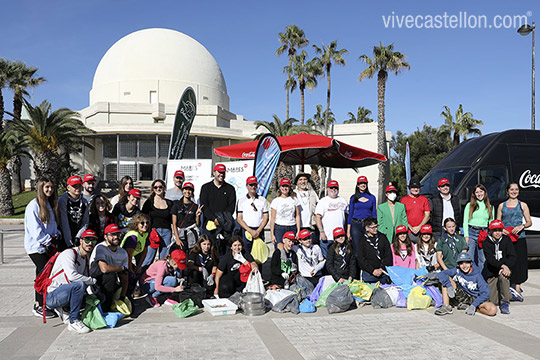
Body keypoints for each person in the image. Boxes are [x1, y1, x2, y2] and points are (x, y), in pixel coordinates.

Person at [45, 230, 98, 333]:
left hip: (67, 292)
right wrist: (92, 281)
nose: (90, 243)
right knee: (79, 285)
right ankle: (73, 321)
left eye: (93, 241)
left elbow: (86, 281)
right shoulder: (69, 253)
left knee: (97, 297)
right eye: (87, 240)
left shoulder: (85, 259)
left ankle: (64, 309)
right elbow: (72, 276)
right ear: (81, 241)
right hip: (52, 296)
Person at [24, 177, 62, 318]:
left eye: (51, 187)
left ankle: (44, 302)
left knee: (43, 274)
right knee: (43, 274)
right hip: (37, 247)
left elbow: (52, 226)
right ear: (40, 188)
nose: (50, 190)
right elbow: (35, 231)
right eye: (47, 187)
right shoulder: (33, 206)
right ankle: (38, 305)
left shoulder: (49, 205)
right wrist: (48, 241)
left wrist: (56, 235)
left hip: (48, 246)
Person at [497, 182, 532, 297]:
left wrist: (522, 226)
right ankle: (508, 286)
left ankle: (517, 288)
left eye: (516, 189)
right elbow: (497, 223)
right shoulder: (502, 206)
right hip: (506, 239)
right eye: (511, 189)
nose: (514, 191)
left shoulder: (523, 205)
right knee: (507, 261)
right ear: (507, 191)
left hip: (519, 238)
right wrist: (502, 230)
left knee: (520, 262)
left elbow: (529, 222)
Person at [435, 252, 497, 317]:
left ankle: (471, 308)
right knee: (446, 279)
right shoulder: (457, 270)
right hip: (462, 295)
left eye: (467, 262)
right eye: (461, 263)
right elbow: (442, 273)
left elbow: (485, 292)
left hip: (476, 298)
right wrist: (449, 286)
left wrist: (474, 305)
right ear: (458, 264)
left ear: (471, 263)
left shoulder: (477, 275)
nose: (464, 266)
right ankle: (446, 306)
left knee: (492, 310)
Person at [89, 224, 129, 312]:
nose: (116, 237)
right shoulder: (100, 247)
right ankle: (105, 307)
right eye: (112, 235)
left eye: (118, 234)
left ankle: (116, 300)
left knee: (130, 278)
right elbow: (104, 269)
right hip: (95, 282)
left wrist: (122, 298)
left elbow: (125, 276)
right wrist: (121, 268)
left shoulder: (123, 252)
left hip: (112, 282)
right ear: (105, 237)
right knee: (110, 276)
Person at [200, 164, 236, 254]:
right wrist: (214, 219)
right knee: (209, 251)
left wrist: (221, 220)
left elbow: (231, 208)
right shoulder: (206, 188)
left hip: (225, 227)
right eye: (219, 172)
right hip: (209, 226)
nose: (221, 174)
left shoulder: (230, 189)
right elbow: (204, 206)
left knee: (224, 252)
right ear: (214, 173)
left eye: (223, 172)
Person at [482, 220, 517, 314]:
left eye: (500, 230)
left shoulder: (507, 240)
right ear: (490, 231)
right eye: (495, 230)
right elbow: (490, 260)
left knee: (504, 276)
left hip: (504, 270)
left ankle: (505, 301)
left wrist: (506, 267)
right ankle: (510, 294)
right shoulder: (486, 242)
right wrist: (502, 266)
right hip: (492, 271)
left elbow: (512, 256)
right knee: (493, 301)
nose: (498, 233)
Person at [142, 179, 174, 265]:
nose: (158, 189)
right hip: (153, 231)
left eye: (160, 187)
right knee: (149, 257)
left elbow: (172, 220)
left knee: (164, 258)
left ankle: (161, 276)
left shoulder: (169, 203)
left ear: (164, 188)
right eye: (155, 187)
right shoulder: (149, 203)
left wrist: (173, 233)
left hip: (166, 232)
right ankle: (142, 276)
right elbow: (143, 217)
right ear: (153, 189)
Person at [315, 180, 348, 257]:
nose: (333, 189)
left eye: (335, 187)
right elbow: (317, 217)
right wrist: (321, 232)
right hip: (327, 236)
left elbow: (346, 216)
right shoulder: (322, 201)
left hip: (340, 237)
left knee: (339, 259)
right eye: (331, 187)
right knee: (327, 260)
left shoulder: (343, 201)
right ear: (327, 189)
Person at [237, 176, 269, 254]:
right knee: (246, 254)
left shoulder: (263, 200)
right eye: (251, 185)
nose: (253, 187)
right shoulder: (241, 200)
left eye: (255, 185)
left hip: (259, 230)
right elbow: (239, 218)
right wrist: (250, 231)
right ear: (247, 186)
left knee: (259, 255)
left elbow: (266, 217)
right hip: (247, 230)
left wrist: (258, 231)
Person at [464, 184, 493, 270]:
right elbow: (465, 221)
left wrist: (490, 236)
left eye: (481, 191)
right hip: (471, 232)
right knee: (470, 257)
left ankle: (481, 279)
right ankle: (470, 278)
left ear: (485, 192)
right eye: (477, 192)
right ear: (474, 194)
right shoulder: (469, 205)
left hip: (483, 234)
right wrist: (466, 236)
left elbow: (491, 223)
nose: (479, 194)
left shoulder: (490, 207)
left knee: (482, 259)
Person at [120, 212, 150, 296]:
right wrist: (131, 269)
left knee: (137, 274)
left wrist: (139, 266)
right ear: (136, 224)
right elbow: (128, 255)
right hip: (121, 259)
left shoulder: (144, 235)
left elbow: (145, 251)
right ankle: (125, 296)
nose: (145, 225)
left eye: (147, 222)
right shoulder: (133, 236)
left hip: (129, 258)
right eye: (142, 223)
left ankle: (130, 295)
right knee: (130, 277)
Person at [347, 176, 376, 258]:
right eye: (361, 183)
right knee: (357, 248)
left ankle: (367, 269)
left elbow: (374, 214)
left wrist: (374, 227)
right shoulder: (353, 198)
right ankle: (357, 269)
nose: (363, 185)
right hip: (356, 224)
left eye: (364, 183)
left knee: (368, 247)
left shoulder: (372, 197)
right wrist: (348, 231)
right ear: (358, 185)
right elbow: (350, 214)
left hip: (368, 225)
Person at [270, 178, 301, 257]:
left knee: (292, 249)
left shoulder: (294, 200)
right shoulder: (276, 201)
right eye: (283, 186)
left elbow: (297, 216)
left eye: (286, 186)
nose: (284, 188)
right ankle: (280, 268)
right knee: (280, 250)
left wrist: (298, 230)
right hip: (279, 228)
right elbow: (273, 218)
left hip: (292, 226)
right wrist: (272, 234)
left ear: (289, 187)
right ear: (280, 188)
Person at [357, 217, 392, 284]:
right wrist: (372, 270)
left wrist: (381, 269)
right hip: (369, 273)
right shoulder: (362, 240)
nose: (375, 229)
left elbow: (388, 255)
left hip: (382, 272)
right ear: (367, 228)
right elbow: (361, 258)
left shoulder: (382, 237)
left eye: (376, 226)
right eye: (373, 227)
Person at [58, 175, 89, 250]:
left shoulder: (84, 202)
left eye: (79, 186)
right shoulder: (63, 200)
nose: (78, 188)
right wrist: (69, 242)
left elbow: (85, 222)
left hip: (77, 237)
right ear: (68, 187)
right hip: (64, 238)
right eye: (75, 186)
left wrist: (78, 237)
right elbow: (64, 222)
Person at [171, 182, 202, 252]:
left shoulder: (195, 206)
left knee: (191, 256)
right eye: (185, 189)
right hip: (180, 234)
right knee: (180, 255)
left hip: (192, 235)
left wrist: (197, 216)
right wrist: (177, 238)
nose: (187, 192)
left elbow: (197, 225)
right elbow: (174, 223)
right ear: (182, 191)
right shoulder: (176, 205)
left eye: (190, 190)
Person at [400, 178, 431, 243]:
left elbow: (427, 215)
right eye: (413, 187)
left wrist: (419, 227)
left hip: (422, 231)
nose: (416, 189)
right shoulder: (403, 200)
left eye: (417, 187)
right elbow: (402, 216)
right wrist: (410, 227)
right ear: (409, 188)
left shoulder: (424, 199)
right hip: (408, 231)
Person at [294, 173, 319, 244]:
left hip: (310, 226)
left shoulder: (312, 193)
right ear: (297, 182)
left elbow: (318, 206)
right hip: (297, 227)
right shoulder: (293, 193)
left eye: (305, 179)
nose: (303, 181)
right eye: (300, 179)